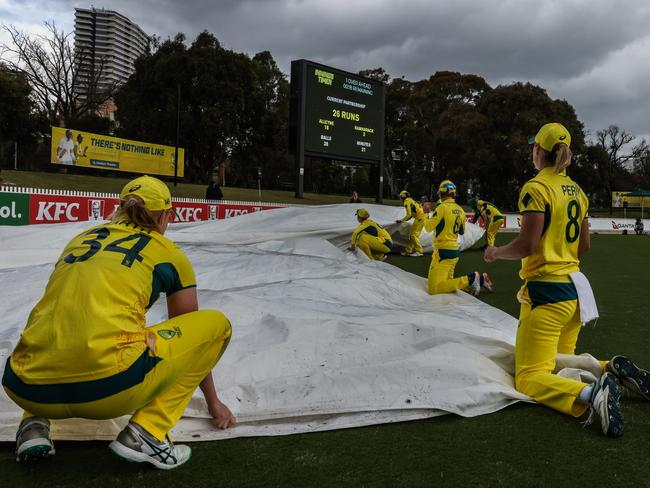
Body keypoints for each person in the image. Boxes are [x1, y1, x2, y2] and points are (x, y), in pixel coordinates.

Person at [2, 175, 235, 468]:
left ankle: (32, 427)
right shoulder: (169, 253)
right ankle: (149, 432)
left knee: (57, 321)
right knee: (216, 325)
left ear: (119, 208)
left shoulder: (80, 239)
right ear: (166, 216)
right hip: (108, 391)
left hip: (25, 389)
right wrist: (214, 402)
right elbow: (195, 339)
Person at [484, 122, 649, 437]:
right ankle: (606, 369)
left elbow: (526, 246)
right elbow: (583, 246)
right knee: (559, 365)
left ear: (538, 151)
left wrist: (494, 253)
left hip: (546, 292)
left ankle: (591, 395)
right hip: (576, 292)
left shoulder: (536, 187)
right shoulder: (579, 191)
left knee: (530, 376)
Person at [424, 180, 492, 296]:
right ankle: (480, 280)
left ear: (441, 192)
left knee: (434, 289)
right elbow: (462, 231)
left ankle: (471, 278)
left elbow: (428, 227)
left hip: (443, 251)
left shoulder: (441, 208)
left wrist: (426, 213)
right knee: (449, 284)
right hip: (454, 250)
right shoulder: (460, 210)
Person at [396, 190, 425, 256]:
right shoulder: (410, 200)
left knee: (413, 235)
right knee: (414, 236)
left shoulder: (406, 202)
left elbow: (408, 215)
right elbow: (411, 215)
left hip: (420, 218)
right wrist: (403, 220)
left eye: (400, 197)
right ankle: (408, 251)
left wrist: (401, 220)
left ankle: (419, 251)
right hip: (423, 217)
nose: (400, 199)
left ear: (403, 197)